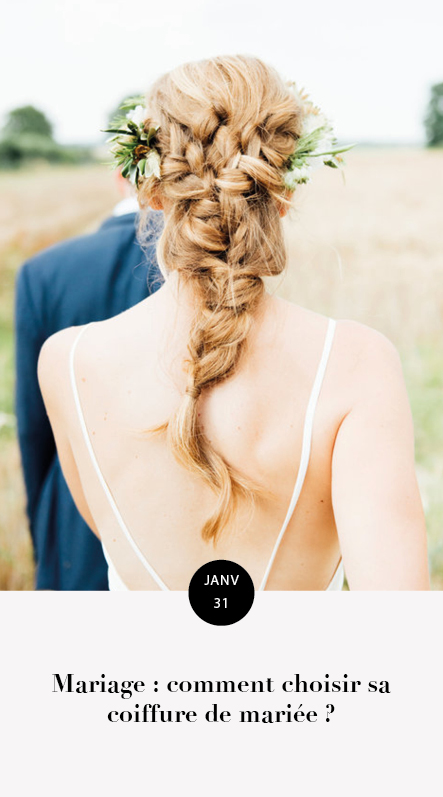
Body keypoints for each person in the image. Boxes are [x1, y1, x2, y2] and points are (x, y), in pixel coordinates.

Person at [37, 55, 429, 590]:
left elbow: (105, 531)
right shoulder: (358, 365)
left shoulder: (68, 363)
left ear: (149, 187)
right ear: (285, 186)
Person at [15, 170, 162, 589]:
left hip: (74, 518)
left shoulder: (44, 272)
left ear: (122, 174)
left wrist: (44, 529)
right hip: (186, 521)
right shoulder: (214, 264)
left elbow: (33, 427)